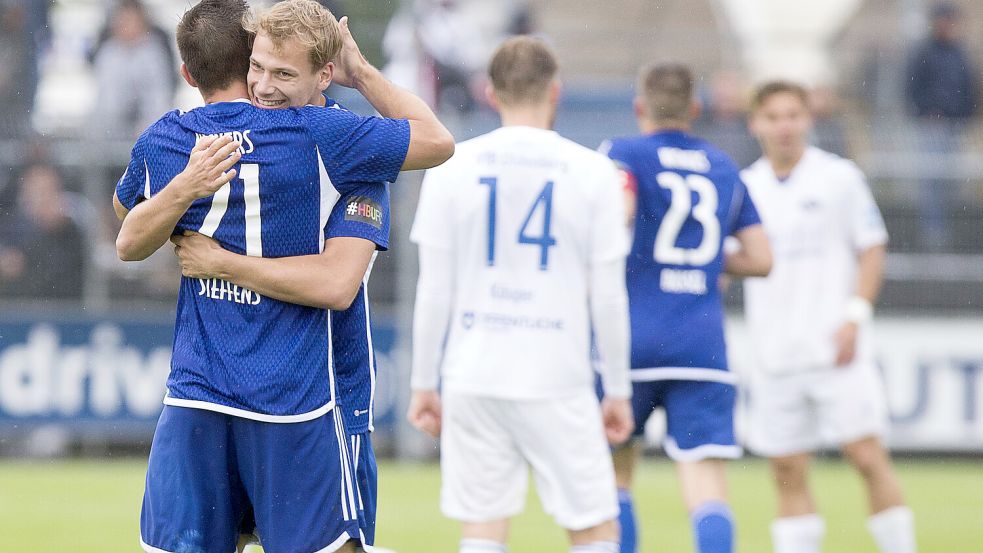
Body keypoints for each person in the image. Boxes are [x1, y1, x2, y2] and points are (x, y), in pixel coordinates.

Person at [113, 1, 453, 552]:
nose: (266, 86)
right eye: (259, 69)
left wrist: (216, 256)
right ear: (245, 60)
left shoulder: (169, 138)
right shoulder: (329, 137)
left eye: (281, 72)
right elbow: (435, 140)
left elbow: (126, 220)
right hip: (298, 400)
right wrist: (363, 72)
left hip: (248, 392)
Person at [407, 36, 633, 553]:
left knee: (483, 527)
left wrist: (424, 381)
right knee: (593, 525)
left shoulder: (453, 165)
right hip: (557, 372)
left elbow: (434, 287)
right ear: (556, 91)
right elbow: (609, 296)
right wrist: (617, 389)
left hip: (474, 370)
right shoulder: (596, 173)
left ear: (490, 92)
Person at [600, 63, 772, 553]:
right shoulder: (723, 165)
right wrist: (712, 260)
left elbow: (619, 218)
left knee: (616, 473)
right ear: (694, 109)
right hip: (701, 340)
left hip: (630, 336)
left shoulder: (623, 153)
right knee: (705, 481)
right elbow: (761, 258)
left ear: (640, 108)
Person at [741, 80, 916, 553]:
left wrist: (854, 316)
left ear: (808, 119)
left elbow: (872, 247)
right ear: (756, 122)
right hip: (776, 351)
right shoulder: (746, 187)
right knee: (786, 470)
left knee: (865, 456)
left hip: (836, 346)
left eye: (792, 115)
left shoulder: (839, 178)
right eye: (773, 116)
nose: (784, 126)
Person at [905, 1, 978, 249]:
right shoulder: (924, 52)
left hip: (956, 125)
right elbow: (912, 89)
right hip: (933, 126)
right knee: (932, 181)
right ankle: (933, 235)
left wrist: (965, 117)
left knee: (951, 182)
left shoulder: (959, 53)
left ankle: (949, 233)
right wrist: (926, 111)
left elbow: (968, 89)